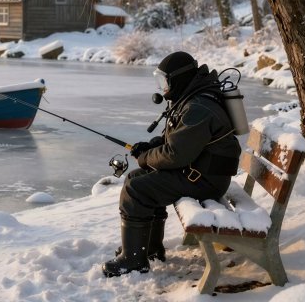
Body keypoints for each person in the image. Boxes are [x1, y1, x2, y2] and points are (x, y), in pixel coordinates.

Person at [102, 51, 242, 277]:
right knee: (137, 178)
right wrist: (149, 147)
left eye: (165, 81)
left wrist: (145, 157)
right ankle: (149, 248)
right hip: (202, 172)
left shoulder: (198, 107)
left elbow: (176, 154)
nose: (164, 88)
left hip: (205, 179)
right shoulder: (193, 97)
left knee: (136, 189)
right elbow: (177, 139)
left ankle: (134, 261)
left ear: (179, 79)